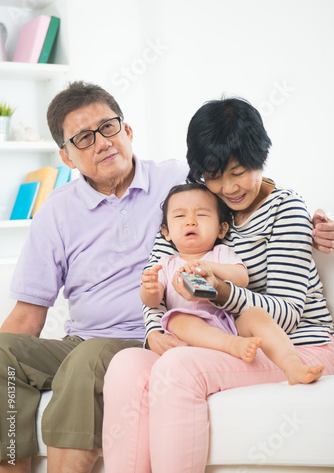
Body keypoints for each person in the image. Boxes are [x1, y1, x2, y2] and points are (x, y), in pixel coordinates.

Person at [102, 97, 334, 473]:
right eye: (213, 174)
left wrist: (222, 292)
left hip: (296, 344)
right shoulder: (194, 204)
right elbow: (156, 275)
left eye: (238, 171)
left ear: (261, 157)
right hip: (215, 339)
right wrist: (152, 332)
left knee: (179, 369)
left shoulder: (285, 210)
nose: (227, 187)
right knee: (127, 364)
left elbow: (288, 315)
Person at [0, 81, 188, 473]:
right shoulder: (56, 211)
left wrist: (309, 224)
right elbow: (27, 317)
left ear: (128, 131)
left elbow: (246, 193)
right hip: (82, 342)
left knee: (87, 358)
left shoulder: (177, 178)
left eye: (108, 127)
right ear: (66, 157)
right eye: (84, 138)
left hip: (152, 338)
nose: (102, 142)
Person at [140, 182, 324, 383]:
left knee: (256, 314)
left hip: (227, 322)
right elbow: (153, 301)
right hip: (192, 334)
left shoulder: (220, 253)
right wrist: (150, 289)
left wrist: (210, 267)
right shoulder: (166, 263)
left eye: (201, 215)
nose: (190, 222)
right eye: (180, 216)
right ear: (166, 232)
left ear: (221, 229)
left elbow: (241, 277)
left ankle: (293, 365)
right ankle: (232, 345)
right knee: (176, 319)